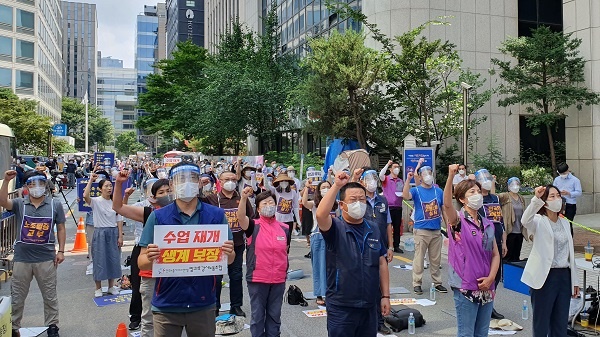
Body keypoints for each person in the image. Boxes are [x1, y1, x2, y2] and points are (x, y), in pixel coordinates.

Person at [137, 161, 235, 337]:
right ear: (172, 185)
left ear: (199, 183)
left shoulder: (216, 215)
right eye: (180, 180)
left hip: (203, 303)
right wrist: (150, 258)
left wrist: (229, 252)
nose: (186, 183)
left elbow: (230, 259)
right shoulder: (158, 216)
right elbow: (142, 263)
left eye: (191, 179)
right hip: (166, 305)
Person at [316, 171, 391, 337]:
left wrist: (385, 296)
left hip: (369, 305)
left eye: (362, 199)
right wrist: (336, 185)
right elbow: (321, 215)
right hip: (341, 306)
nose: (359, 203)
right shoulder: (335, 228)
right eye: (353, 200)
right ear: (342, 205)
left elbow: (381, 263)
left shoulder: (373, 229)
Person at [0, 170, 66, 337]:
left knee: (50, 295)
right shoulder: (20, 204)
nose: (37, 187)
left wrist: (62, 251)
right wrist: (6, 181)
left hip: (46, 258)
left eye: (41, 183)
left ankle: (52, 326)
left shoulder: (55, 205)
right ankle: (14, 327)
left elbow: (61, 228)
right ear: (26, 187)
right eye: (32, 184)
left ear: (46, 185)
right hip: (22, 258)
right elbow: (2, 201)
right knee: (17, 296)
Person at [443, 165, 501, 337]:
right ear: (462, 199)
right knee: (466, 333)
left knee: (482, 333)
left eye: (477, 191)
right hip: (465, 286)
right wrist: (450, 176)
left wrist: (491, 278)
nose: (476, 195)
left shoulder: (488, 223)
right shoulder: (458, 221)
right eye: (471, 193)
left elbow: (495, 254)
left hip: (487, 286)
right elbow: (447, 205)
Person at [113, 172, 171, 337]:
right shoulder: (148, 213)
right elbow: (118, 208)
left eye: (169, 190)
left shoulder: (186, 212)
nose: (166, 195)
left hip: (175, 270)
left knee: (174, 316)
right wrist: (119, 184)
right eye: (161, 192)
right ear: (153, 197)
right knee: (149, 316)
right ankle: (136, 318)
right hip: (150, 268)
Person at [521, 185, 580, 337]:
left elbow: (570, 253)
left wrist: (575, 281)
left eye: (558, 195)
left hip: (564, 276)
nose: (557, 199)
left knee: (560, 324)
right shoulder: (539, 221)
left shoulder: (565, 222)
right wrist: (536, 199)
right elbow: (524, 220)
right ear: (544, 202)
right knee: (541, 323)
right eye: (552, 196)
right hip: (545, 277)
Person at [237, 188, 289, 337]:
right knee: (258, 317)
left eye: (271, 202)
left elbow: (285, 251)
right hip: (258, 278)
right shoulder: (253, 226)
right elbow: (241, 217)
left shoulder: (285, 228)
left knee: (274, 316)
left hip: (278, 279)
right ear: (258, 208)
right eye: (264, 203)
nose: (268, 205)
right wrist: (243, 198)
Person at [202, 170, 253, 318]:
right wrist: (200, 186)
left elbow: (251, 218)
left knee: (236, 276)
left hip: (236, 244)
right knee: (216, 278)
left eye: (233, 179)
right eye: (227, 179)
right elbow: (195, 202)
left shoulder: (242, 198)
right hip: (216, 245)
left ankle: (236, 306)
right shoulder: (212, 198)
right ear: (220, 181)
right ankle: (215, 307)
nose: (230, 182)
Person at [358, 169, 394, 335]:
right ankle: (363, 318)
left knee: (381, 285)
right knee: (364, 283)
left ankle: (379, 321)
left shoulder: (383, 200)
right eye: (368, 178)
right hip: (363, 249)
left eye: (374, 177)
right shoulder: (358, 200)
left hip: (381, 248)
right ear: (363, 181)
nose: (372, 181)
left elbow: (388, 225)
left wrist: (391, 246)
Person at [402, 166, 447, 295]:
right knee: (419, 258)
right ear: (420, 177)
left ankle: (437, 282)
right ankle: (417, 283)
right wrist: (408, 180)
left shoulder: (438, 191)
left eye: (430, 173)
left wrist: (448, 224)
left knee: (436, 259)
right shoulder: (416, 190)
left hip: (436, 230)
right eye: (425, 173)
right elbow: (405, 196)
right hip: (421, 230)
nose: (428, 175)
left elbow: (443, 208)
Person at [83, 170, 124, 298]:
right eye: (106, 186)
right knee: (99, 260)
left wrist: (120, 235)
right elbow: (85, 196)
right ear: (100, 189)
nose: (109, 188)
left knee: (113, 259)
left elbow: (119, 219)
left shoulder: (115, 202)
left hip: (113, 232)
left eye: (110, 186)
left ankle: (111, 286)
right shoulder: (96, 201)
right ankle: (98, 288)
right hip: (100, 232)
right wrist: (91, 180)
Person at [474, 169, 507, 319]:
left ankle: (490, 304)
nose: (486, 180)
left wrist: (504, 242)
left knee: (497, 275)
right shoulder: (476, 199)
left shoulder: (495, 198)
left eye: (488, 178)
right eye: (483, 178)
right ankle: (480, 304)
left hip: (498, 241)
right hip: (485, 243)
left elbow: (500, 221)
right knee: (485, 273)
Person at [302, 181, 336, 307]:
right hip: (319, 236)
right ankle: (320, 294)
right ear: (319, 190)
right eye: (323, 187)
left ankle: (331, 293)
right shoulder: (315, 204)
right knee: (319, 266)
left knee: (332, 266)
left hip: (333, 237)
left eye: (328, 187)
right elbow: (304, 203)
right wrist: (306, 187)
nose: (326, 189)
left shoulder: (335, 204)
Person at [265, 172, 301, 249]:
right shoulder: (275, 191)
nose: (284, 183)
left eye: (285, 181)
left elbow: (295, 207)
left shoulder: (293, 192)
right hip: (278, 220)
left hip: (289, 220)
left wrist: (298, 220)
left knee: (287, 241)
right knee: (277, 239)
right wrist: (264, 174)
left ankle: (285, 256)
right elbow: (266, 186)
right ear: (278, 183)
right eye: (281, 181)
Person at [498, 177, 528, 262]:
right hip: (509, 231)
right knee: (507, 256)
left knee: (516, 255)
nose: (515, 186)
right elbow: (494, 198)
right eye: (512, 184)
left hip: (519, 231)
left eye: (517, 184)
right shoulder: (505, 196)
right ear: (508, 186)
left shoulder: (521, 198)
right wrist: (492, 183)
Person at [379, 160, 405, 254]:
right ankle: (386, 244)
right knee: (386, 226)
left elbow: (401, 191)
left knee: (397, 227)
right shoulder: (386, 179)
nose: (397, 169)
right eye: (395, 167)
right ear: (390, 169)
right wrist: (387, 164)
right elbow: (381, 175)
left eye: (398, 167)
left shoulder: (400, 181)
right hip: (388, 206)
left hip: (398, 206)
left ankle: (396, 245)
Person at [553, 163, 582, 235]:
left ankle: (569, 242)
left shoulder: (575, 180)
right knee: (557, 223)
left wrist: (569, 193)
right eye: (560, 173)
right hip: (558, 203)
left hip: (570, 205)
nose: (562, 175)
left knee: (568, 223)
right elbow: (553, 189)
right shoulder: (557, 179)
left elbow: (579, 192)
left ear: (567, 170)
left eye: (564, 173)